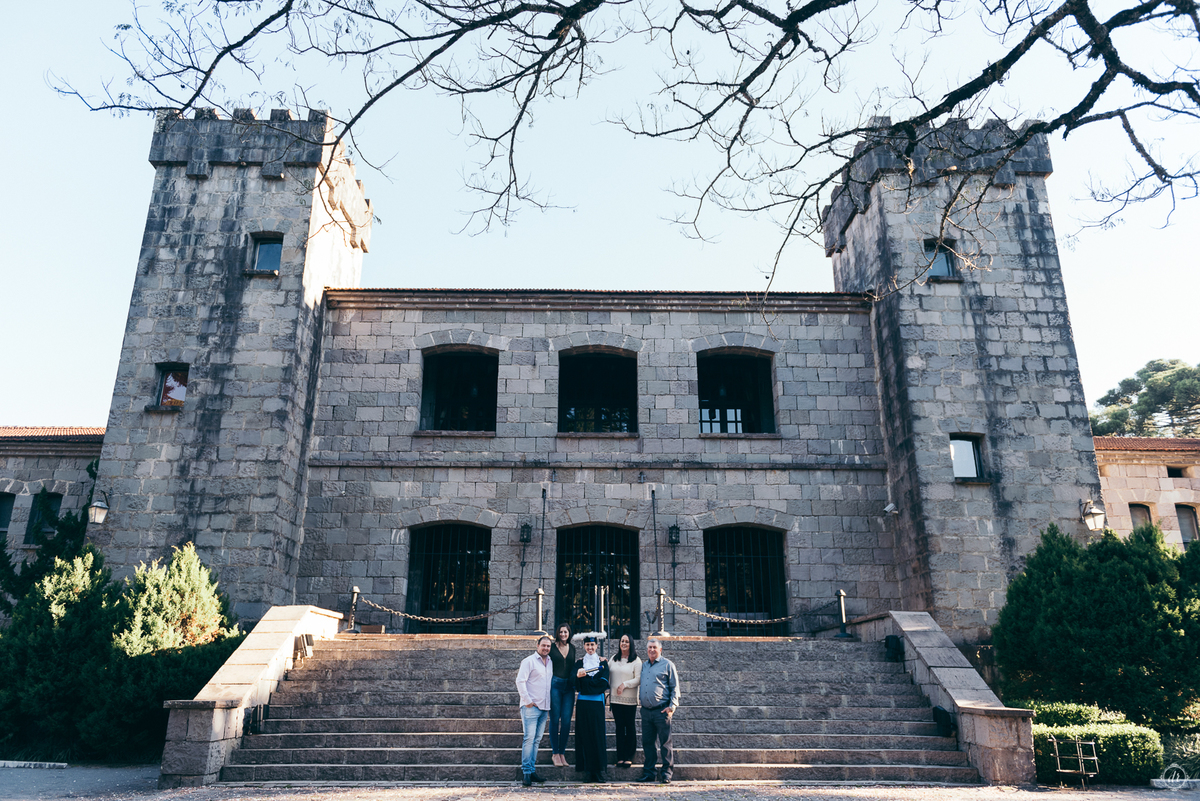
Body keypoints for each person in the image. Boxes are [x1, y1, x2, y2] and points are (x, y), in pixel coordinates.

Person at [637, 636, 680, 784]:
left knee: (665, 744)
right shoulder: (644, 666)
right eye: (649, 647)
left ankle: (667, 773)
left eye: (654, 647)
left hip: (662, 711)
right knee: (648, 744)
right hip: (646, 711)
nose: (652, 650)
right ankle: (649, 773)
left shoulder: (668, 665)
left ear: (660, 649)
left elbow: (675, 688)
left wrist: (672, 706)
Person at [571, 633, 610, 782]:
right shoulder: (579, 663)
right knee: (585, 736)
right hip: (583, 704)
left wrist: (585, 682)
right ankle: (588, 771)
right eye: (587, 645)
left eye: (592, 645)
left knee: (597, 736)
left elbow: (602, 684)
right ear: (584, 646)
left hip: (597, 704)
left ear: (597, 646)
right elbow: (574, 682)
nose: (590, 647)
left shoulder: (603, 663)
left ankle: (598, 771)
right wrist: (581, 678)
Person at [515, 635, 553, 786]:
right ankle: (526, 773)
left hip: (544, 707)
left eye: (548, 646)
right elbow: (520, 681)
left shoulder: (550, 662)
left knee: (536, 740)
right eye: (543, 645)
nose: (546, 648)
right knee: (529, 738)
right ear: (537, 645)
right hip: (531, 707)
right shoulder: (528, 661)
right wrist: (528, 701)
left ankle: (531, 771)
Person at [608, 633, 642, 768]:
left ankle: (629, 756)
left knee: (630, 727)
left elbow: (638, 679)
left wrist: (624, 685)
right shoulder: (613, 659)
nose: (624, 643)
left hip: (629, 700)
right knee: (619, 728)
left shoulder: (636, 661)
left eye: (627, 641)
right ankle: (620, 756)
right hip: (615, 700)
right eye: (622, 641)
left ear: (631, 644)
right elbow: (606, 670)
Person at [547, 623, 576, 767]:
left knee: (566, 721)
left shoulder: (573, 648)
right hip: (555, 685)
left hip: (569, 687)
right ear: (557, 633)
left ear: (569, 633)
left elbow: (574, 666)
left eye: (566, 632)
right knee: (554, 719)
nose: (563, 634)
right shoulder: (552, 648)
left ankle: (562, 753)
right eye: (561, 632)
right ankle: (555, 753)